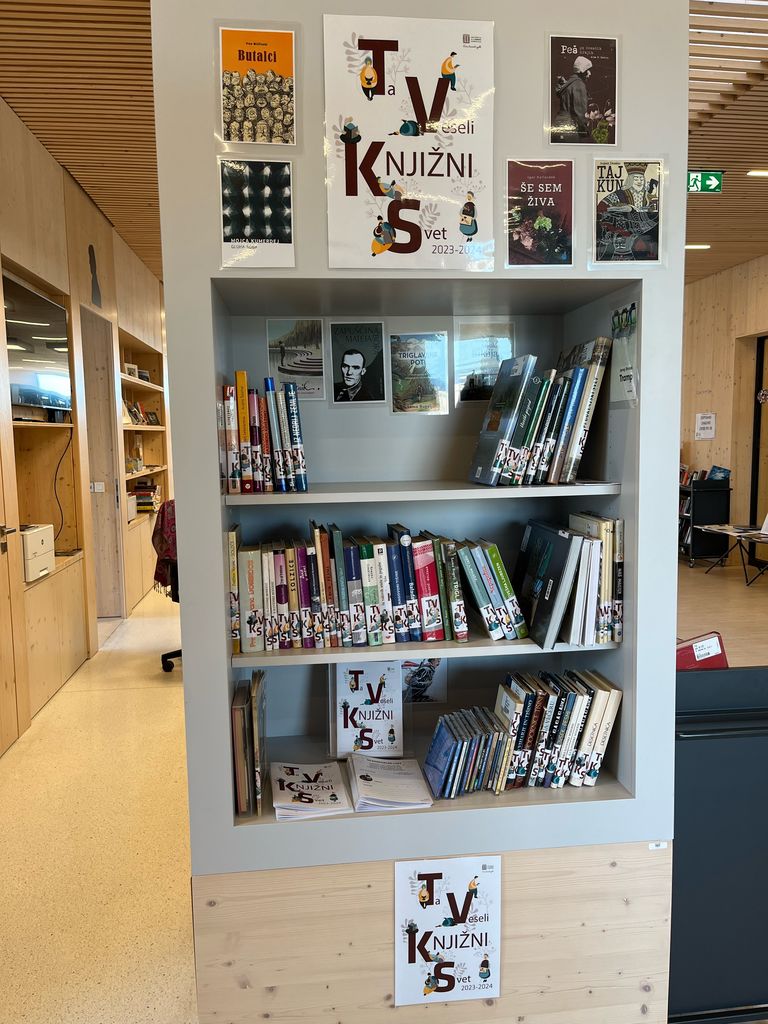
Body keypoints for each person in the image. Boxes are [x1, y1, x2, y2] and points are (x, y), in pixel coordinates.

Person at [551, 54, 592, 142]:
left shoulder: (569, 83)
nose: (590, 73)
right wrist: (585, 132)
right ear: (582, 71)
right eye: (588, 70)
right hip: (570, 128)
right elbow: (580, 112)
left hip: (557, 126)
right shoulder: (578, 84)